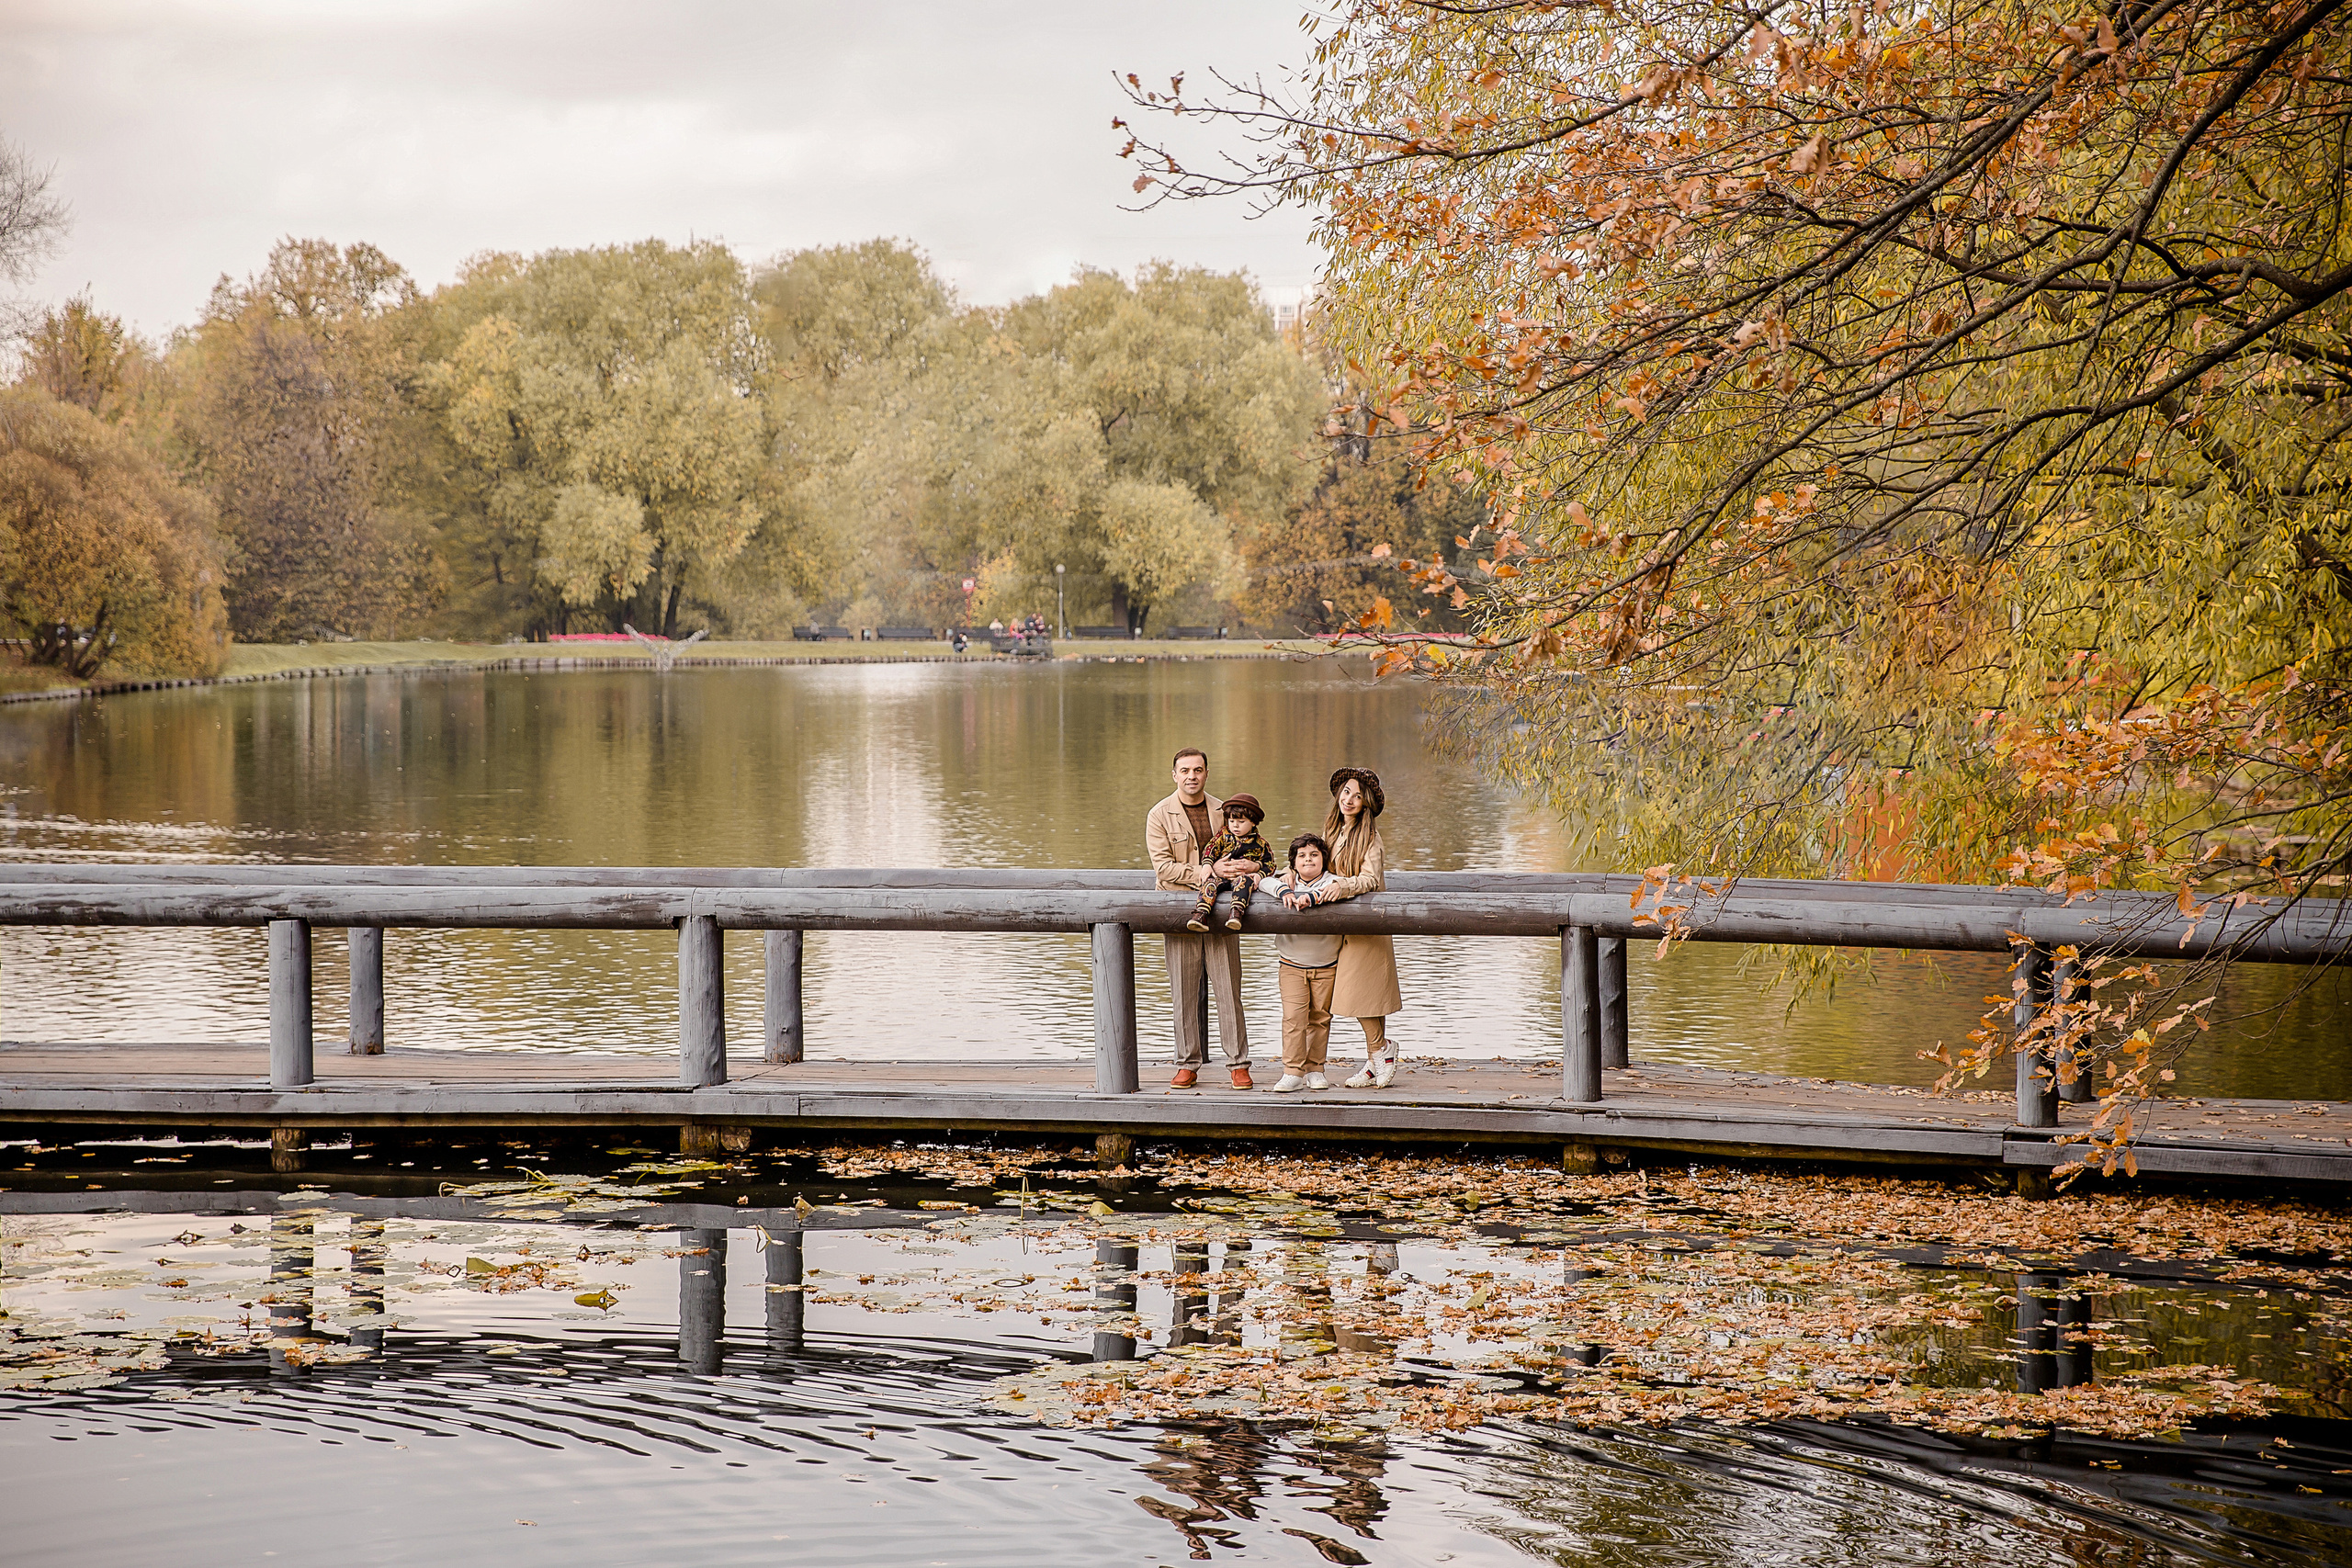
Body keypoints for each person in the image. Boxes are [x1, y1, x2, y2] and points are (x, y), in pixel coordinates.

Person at [1285, 767, 1402, 1088]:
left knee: (1363, 994)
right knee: (1362, 995)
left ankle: (1382, 1049)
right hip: (1342, 927)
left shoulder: (1371, 839)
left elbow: (1369, 880)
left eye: (1358, 795)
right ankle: (1373, 1059)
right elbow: (1316, 860)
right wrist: (1291, 872)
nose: (1350, 799)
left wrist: (1342, 887)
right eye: (1346, 792)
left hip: (1365, 925)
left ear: (1366, 804)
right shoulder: (1332, 831)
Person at [1145, 747, 1253, 1089]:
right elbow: (1163, 869)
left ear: (1207, 773)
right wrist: (1207, 872)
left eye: (1198, 770)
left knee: (1228, 990)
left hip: (1222, 911)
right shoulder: (1159, 815)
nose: (1192, 776)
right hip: (1179, 911)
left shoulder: (1226, 811)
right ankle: (1187, 1063)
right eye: (1185, 770)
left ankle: (1238, 1063)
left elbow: (1248, 848)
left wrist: (1246, 867)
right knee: (1183, 992)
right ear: (1174, 775)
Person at [1266, 833, 1340, 1093]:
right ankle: (1292, 1071)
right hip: (1292, 964)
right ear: (1294, 863)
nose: (1308, 860)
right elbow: (1264, 882)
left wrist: (1311, 897)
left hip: (1327, 964)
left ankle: (1315, 1069)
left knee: (1320, 1018)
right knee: (1294, 1019)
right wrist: (1286, 887)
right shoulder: (1285, 882)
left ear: (1324, 860)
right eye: (1302, 856)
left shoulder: (1334, 882)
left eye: (1314, 855)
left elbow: (1335, 891)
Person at [1186, 794, 1273, 931]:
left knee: (1244, 882)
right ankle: (1201, 914)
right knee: (1210, 883)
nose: (1235, 826)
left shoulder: (1260, 844)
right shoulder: (1223, 835)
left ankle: (1236, 913)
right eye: (1232, 821)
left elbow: (1270, 864)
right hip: (1221, 877)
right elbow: (1210, 849)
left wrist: (1259, 874)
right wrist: (1207, 865)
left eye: (1241, 822)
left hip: (1241, 877)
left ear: (1253, 822)